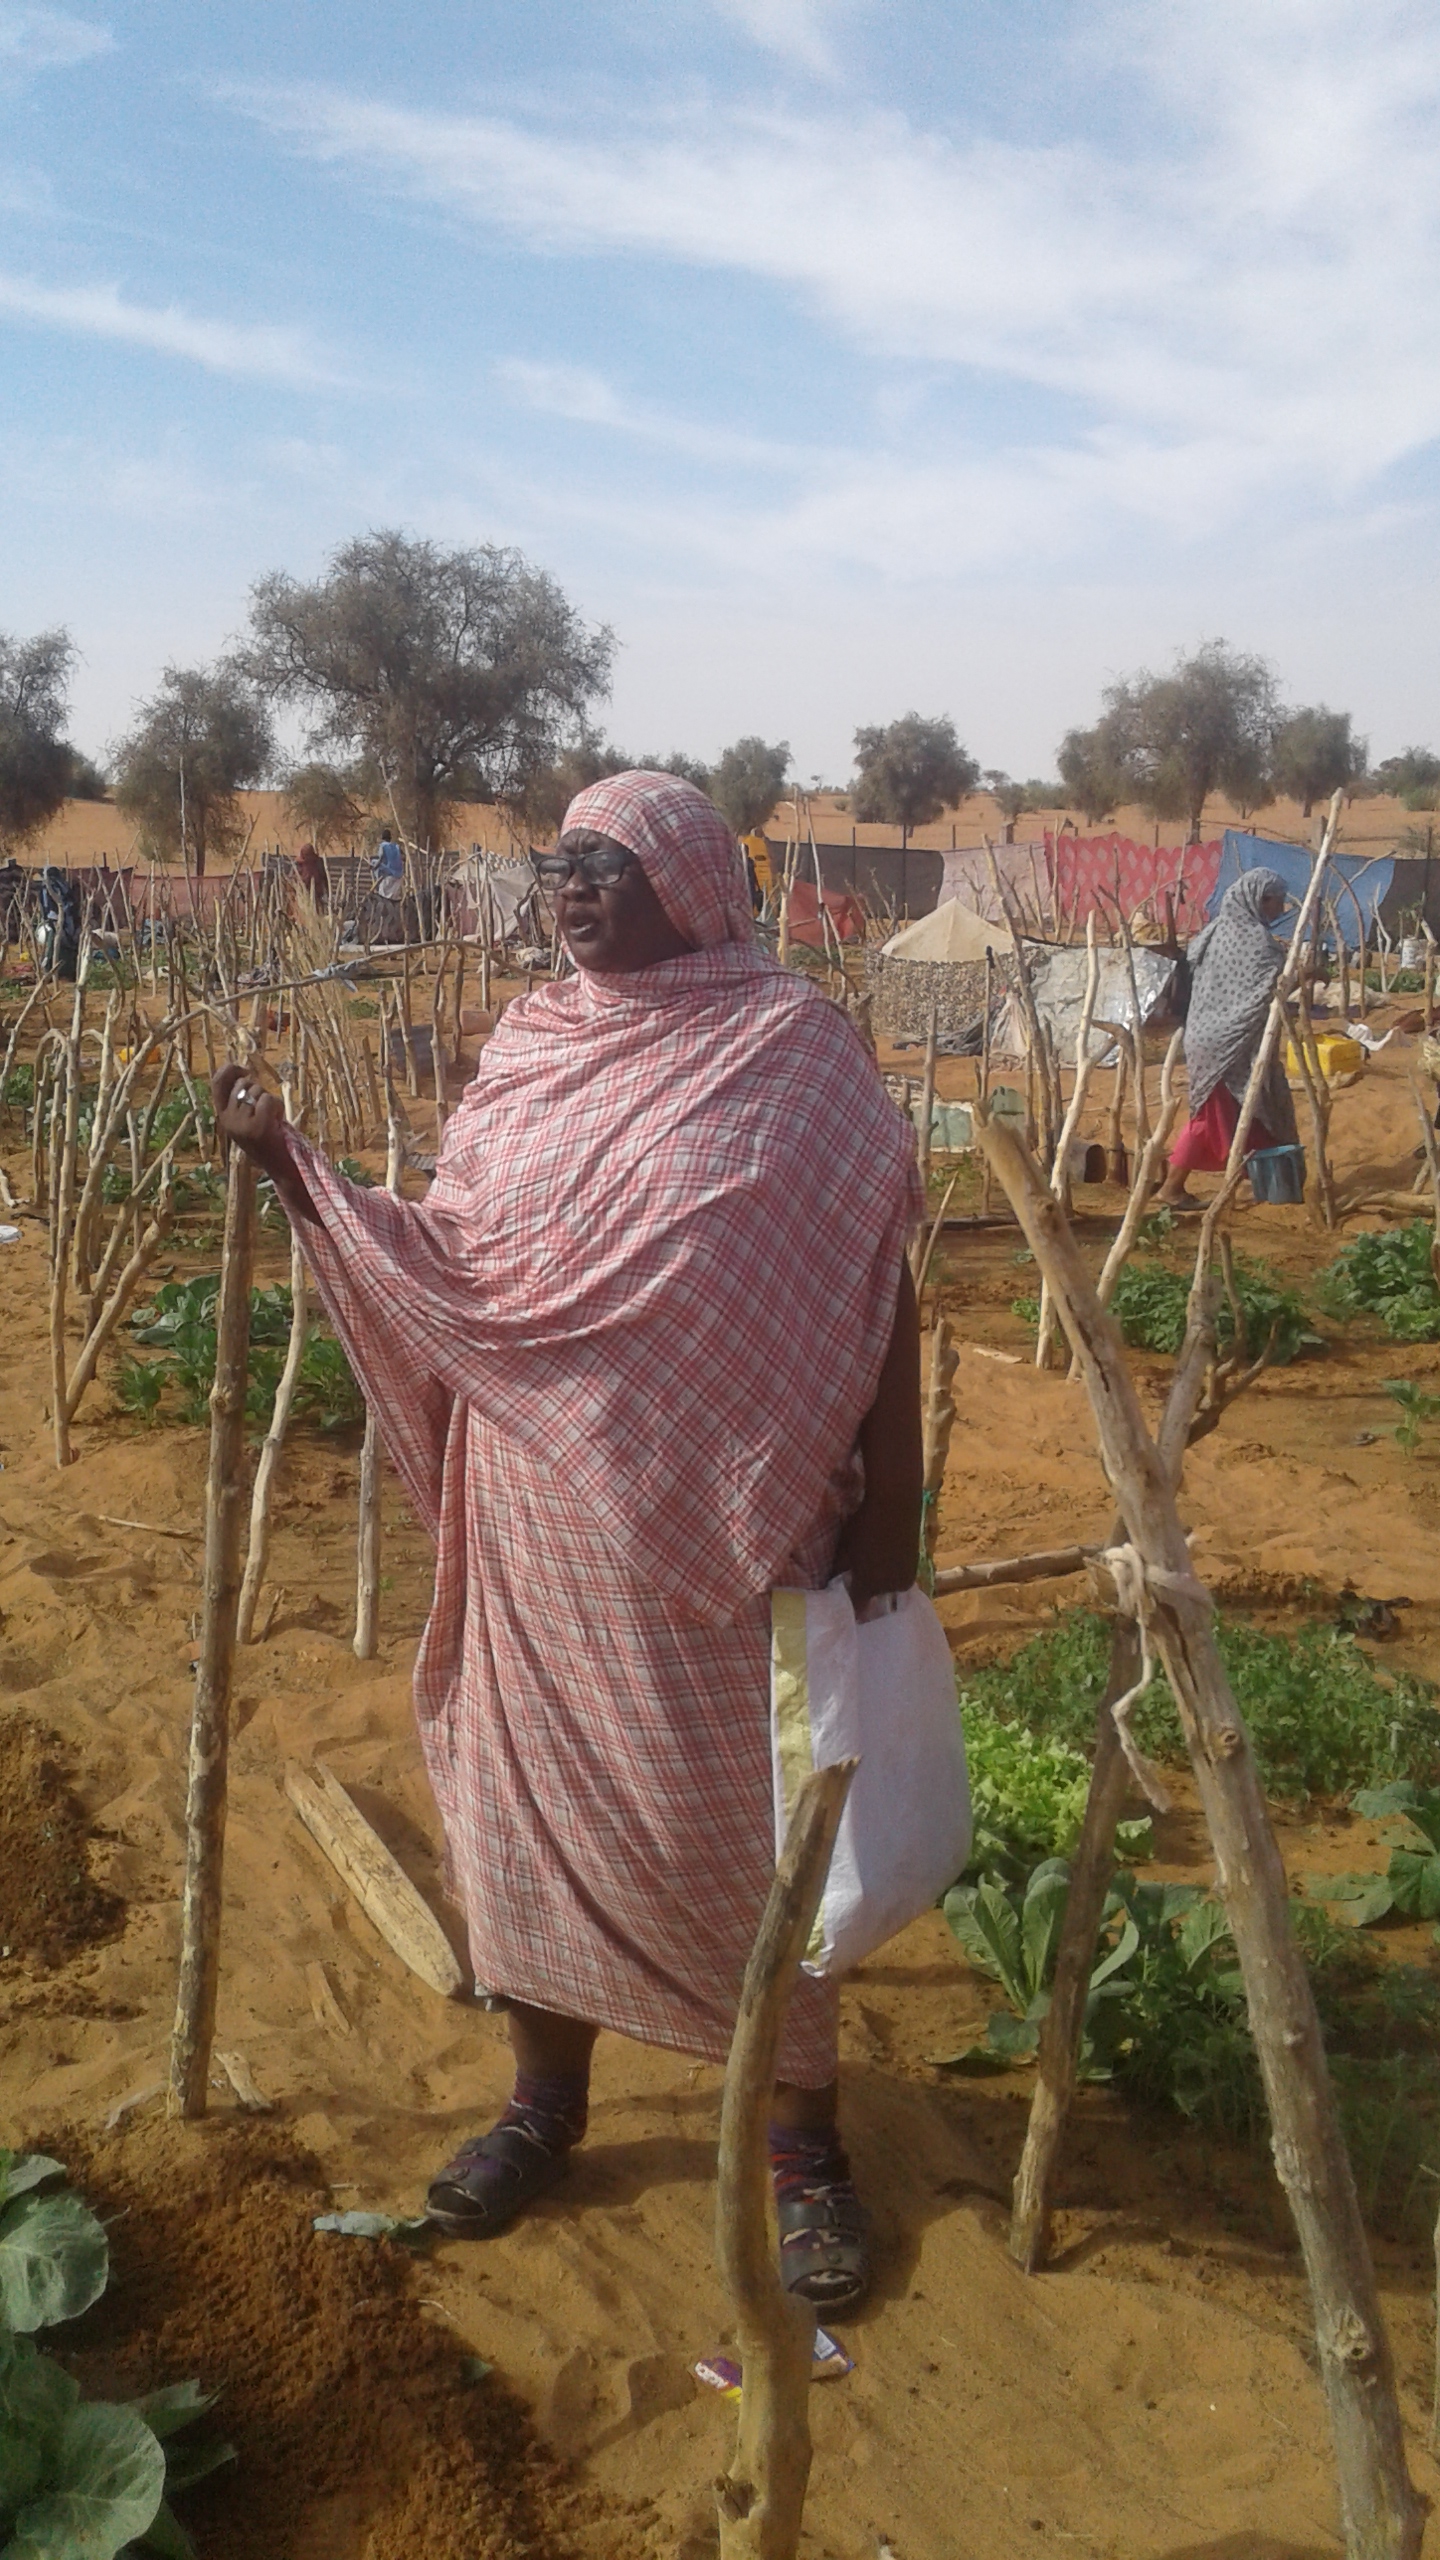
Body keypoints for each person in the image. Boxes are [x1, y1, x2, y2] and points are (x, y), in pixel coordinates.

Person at [213, 771, 922, 2312]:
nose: (575, 886)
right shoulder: (530, 1050)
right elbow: (461, 1262)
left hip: (729, 1541)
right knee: (521, 1821)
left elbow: (881, 1279)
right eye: (561, 863)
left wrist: (902, 1507)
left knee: (755, 1843)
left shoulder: (795, 1054)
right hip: (535, 1529)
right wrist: (298, 1173)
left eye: (611, 863)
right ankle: (544, 2105)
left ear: (693, 885)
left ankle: (804, 2149)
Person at [1154, 868, 1298, 1209]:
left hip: (1208, 1036)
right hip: (1226, 1044)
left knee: (1244, 1109)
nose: (1281, 910)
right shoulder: (1255, 942)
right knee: (1210, 1119)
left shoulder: (1217, 931)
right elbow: (1269, 987)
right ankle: (1171, 1188)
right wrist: (1302, 973)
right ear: (1260, 900)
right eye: (1278, 902)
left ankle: (1266, 1181)